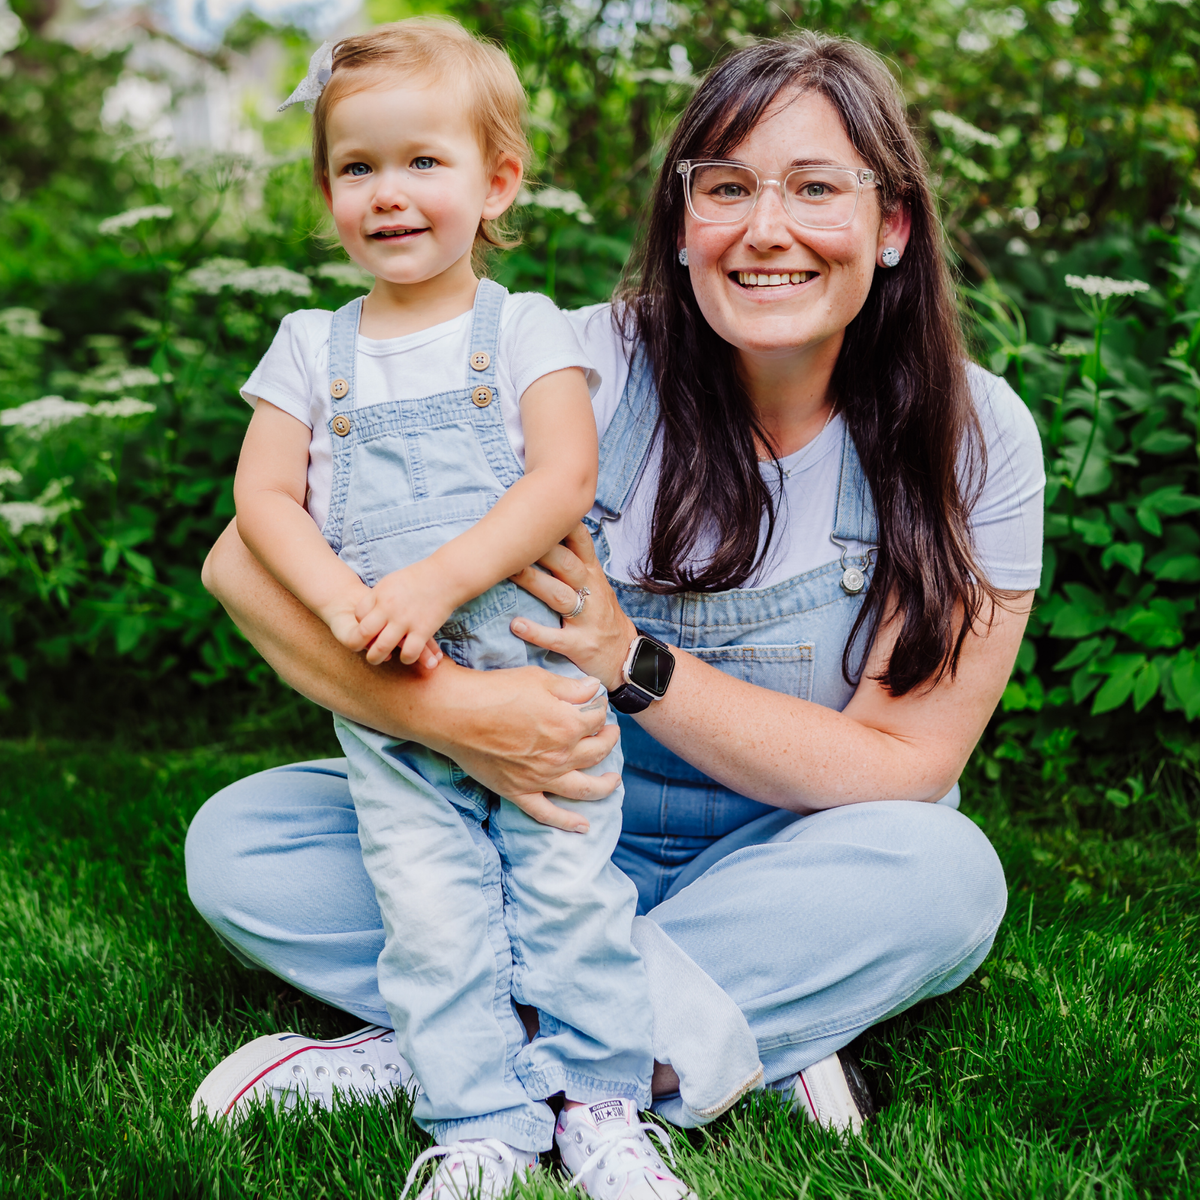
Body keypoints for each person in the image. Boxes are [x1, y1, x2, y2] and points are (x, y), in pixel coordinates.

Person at [187, 24, 1042, 1187]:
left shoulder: (975, 437)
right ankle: (717, 1036)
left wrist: (631, 660)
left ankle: (468, 1045)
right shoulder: (578, 362)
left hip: (788, 854)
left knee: (944, 876)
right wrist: (453, 722)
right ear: (684, 222)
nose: (766, 229)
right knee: (243, 842)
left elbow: (905, 764)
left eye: (815, 189)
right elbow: (242, 560)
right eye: (727, 187)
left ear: (891, 225)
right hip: (535, 822)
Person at [203, 19, 696, 1200]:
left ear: (497, 180)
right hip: (398, 707)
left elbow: (560, 481)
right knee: (429, 910)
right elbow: (261, 499)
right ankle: (478, 1121)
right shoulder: (311, 350)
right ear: (327, 192)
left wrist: (431, 585)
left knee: (571, 892)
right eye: (357, 168)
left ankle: (599, 1109)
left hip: (542, 673)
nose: (390, 194)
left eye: (425, 162)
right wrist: (345, 600)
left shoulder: (526, 328)